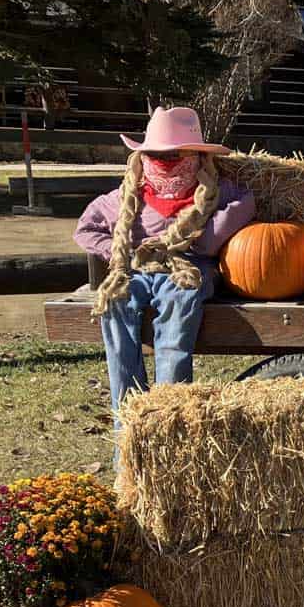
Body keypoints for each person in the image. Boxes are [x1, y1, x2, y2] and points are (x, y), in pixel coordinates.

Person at [74, 106, 254, 425]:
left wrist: (205, 238)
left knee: (180, 302)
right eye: (158, 154)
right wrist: (122, 251)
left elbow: (244, 202)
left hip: (188, 268)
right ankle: (129, 418)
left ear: (196, 155)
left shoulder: (215, 190)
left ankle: (170, 416)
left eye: (176, 154)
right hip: (139, 269)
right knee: (115, 300)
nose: (166, 162)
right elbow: (86, 229)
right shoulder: (127, 196)